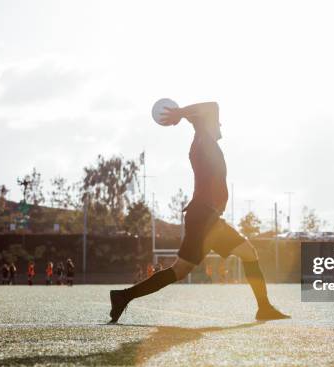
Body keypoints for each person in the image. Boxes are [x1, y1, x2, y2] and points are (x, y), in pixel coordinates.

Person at [109, 102, 289, 323]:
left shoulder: (204, 141)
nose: (220, 123)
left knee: (181, 270)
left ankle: (122, 296)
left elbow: (206, 112)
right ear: (206, 123)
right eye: (217, 122)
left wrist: (183, 116)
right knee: (248, 254)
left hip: (206, 217)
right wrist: (181, 114)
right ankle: (264, 308)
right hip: (205, 218)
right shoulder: (203, 138)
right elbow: (212, 105)